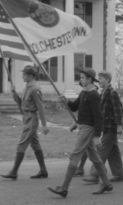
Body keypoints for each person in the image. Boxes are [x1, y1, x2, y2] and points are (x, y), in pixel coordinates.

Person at [48, 68, 112, 197]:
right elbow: (76, 107)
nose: (80, 79)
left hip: (88, 130)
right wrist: (66, 101)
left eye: (82, 77)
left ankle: (64, 188)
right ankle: (106, 183)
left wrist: (97, 136)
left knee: (75, 156)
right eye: (80, 77)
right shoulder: (84, 92)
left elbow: (98, 117)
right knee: (94, 157)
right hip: (83, 127)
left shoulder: (94, 95)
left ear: (89, 79)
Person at [0, 65, 49, 180]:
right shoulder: (27, 87)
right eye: (23, 74)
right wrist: (13, 92)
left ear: (32, 75)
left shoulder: (34, 89)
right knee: (35, 144)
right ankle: (43, 171)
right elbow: (21, 104)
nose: (23, 76)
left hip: (31, 119)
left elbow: (40, 107)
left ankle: (14, 172)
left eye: (25, 74)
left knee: (21, 145)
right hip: (26, 118)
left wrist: (44, 124)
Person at [83, 71, 123, 184]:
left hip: (111, 126)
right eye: (99, 78)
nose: (99, 80)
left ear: (107, 80)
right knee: (113, 151)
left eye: (101, 78)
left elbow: (118, 110)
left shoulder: (112, 93)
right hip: (105, 126)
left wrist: (119, 125)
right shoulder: (103, 93)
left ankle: (94, 174)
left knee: (101, 150)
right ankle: (119, 174)